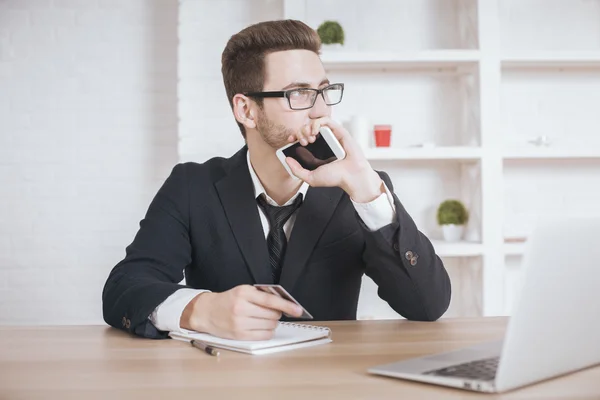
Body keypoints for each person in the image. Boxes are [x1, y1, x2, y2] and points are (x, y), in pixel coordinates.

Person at [102, 19, 451, 340]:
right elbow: (124, 288)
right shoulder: (192, 186)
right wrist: (200, 310)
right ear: (247, 110)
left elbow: (428, 305)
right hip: (223, 379)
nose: (320, 111)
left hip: (330, 379)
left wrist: (367, 189)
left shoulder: (359, 190)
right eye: (298, 93)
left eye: (323, 91)